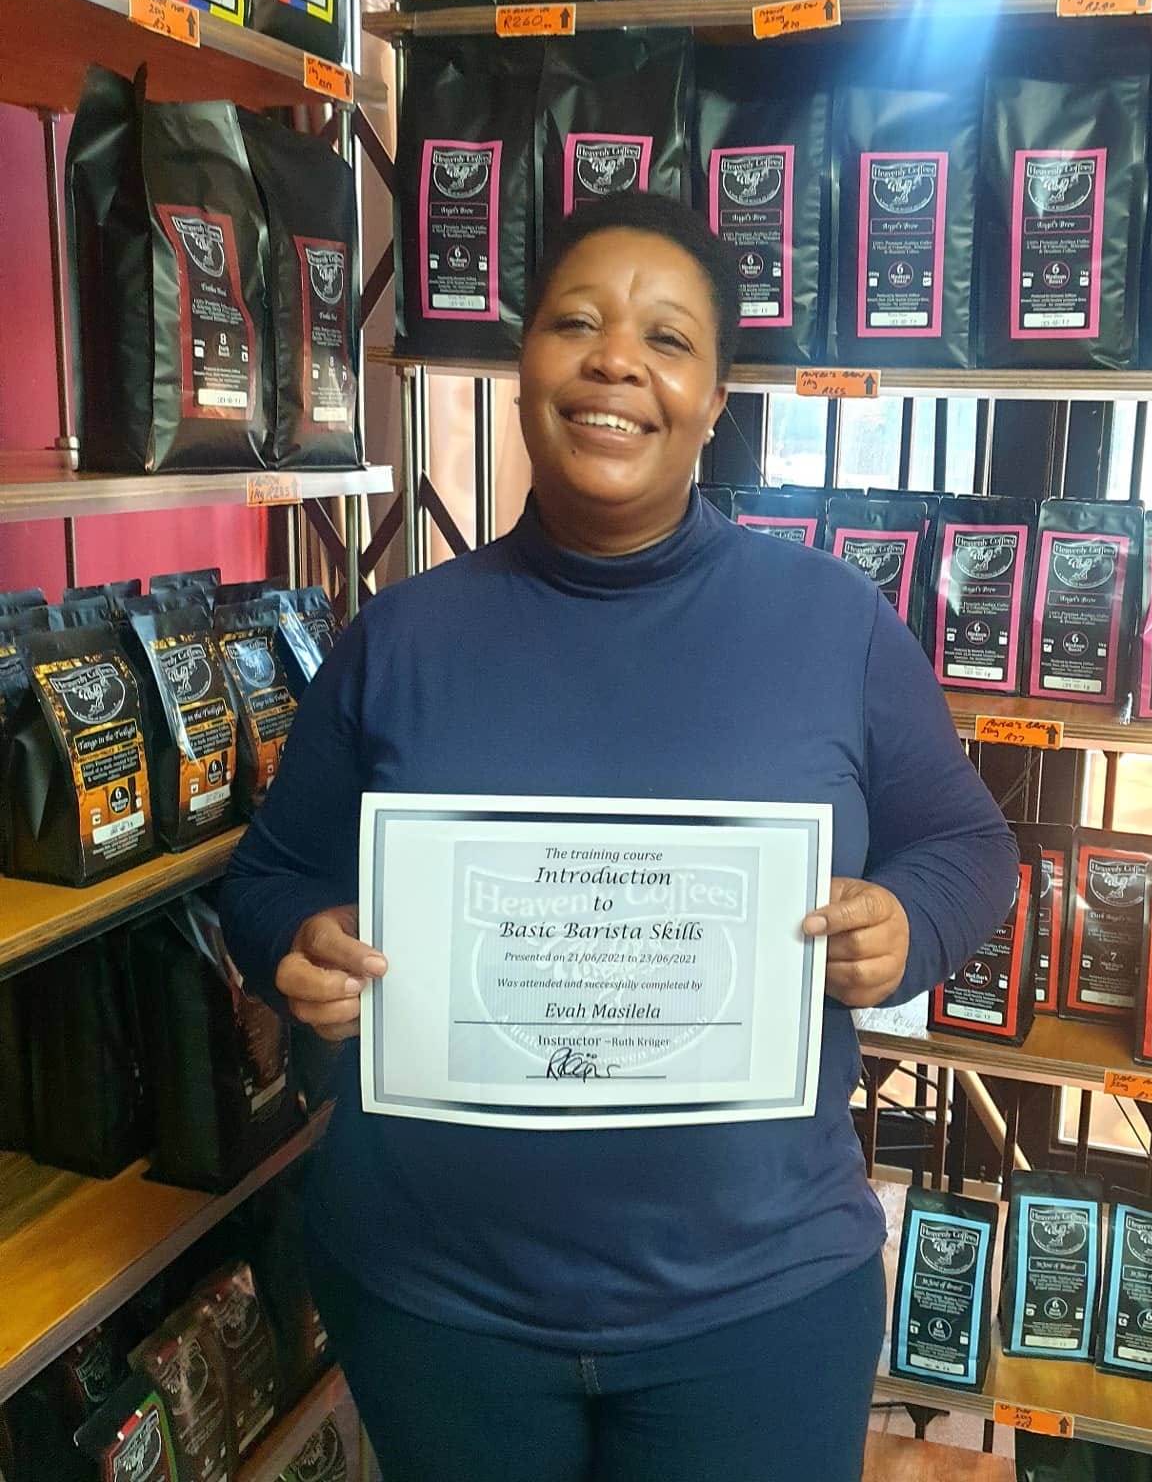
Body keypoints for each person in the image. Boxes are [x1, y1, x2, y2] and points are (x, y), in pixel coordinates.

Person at [219, 192, 1017, 1482]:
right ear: (522, 364)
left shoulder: (834, 626)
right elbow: (268, 878)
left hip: (756, 1309)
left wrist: (908, 925)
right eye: (575, 324)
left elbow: (966, 845)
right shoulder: (400, 639)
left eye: (669, 339)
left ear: (715, 399)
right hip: (438, 1306)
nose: (616, 363)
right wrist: (300, 944)